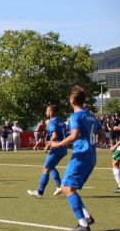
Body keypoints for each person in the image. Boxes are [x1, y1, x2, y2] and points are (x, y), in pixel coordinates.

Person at [45, 86, 103, 230]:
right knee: (69, 188)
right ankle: (86, 217)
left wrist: (58, 144)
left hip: (80, 157)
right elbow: (101, 134)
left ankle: (83, 225)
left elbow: (74, 135)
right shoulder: (91, 115)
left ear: (71, 100)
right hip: (90, 156)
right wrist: (92, 145)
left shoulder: (75, 116)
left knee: (67, 188)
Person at [27, 105, 67, 198]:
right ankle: (59, 186)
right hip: (63, 147)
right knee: (51, 167)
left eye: (47, 111)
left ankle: (40, 192)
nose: (46, 113)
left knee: (46, 168)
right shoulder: (61, 120)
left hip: (57, 147)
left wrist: (48, 144)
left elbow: (54, 135)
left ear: (51, 112)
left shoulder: (52, 122)